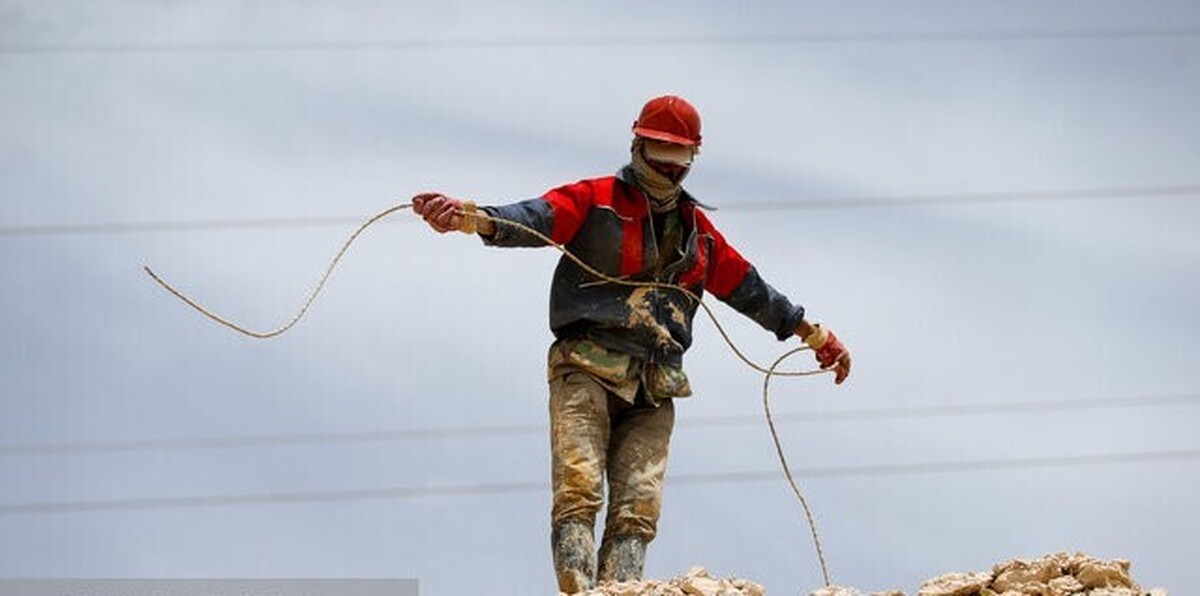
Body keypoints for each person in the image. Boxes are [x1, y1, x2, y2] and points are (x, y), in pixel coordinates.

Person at [411, 95, 851, 593]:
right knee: (578, 492)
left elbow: (753, 291)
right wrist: (470, 217)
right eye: (658, 152)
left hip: (655, 385)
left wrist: (814, 335)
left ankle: (621, 591)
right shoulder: (595, 199)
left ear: (692, 159)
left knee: (637, 510)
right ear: (637, 144)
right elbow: (534, 218)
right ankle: (580, 589)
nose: (666, 166)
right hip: (586, 364)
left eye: (677, 157)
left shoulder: (699, 236)